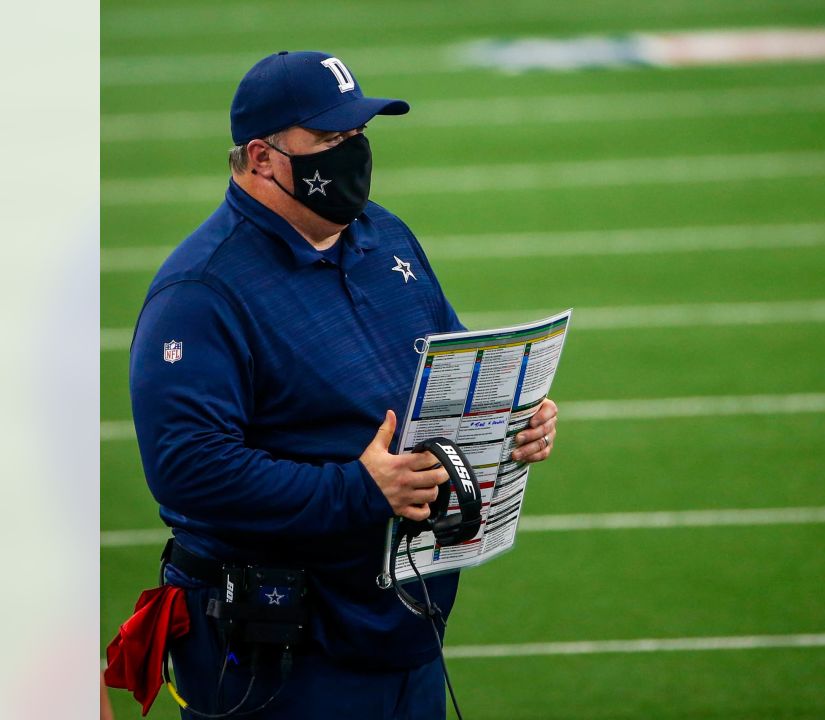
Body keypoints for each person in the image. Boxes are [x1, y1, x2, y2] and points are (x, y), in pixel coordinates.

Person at [125, 51, 559, 719]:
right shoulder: (201, 291)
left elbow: (446, 368)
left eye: (358, 135)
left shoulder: (382, 234)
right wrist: (359, 490)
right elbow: (188, 470)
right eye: (329, 140)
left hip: (401, 619)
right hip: (280, 649)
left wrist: (509, 417)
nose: (352, 152)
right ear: (263, 159)